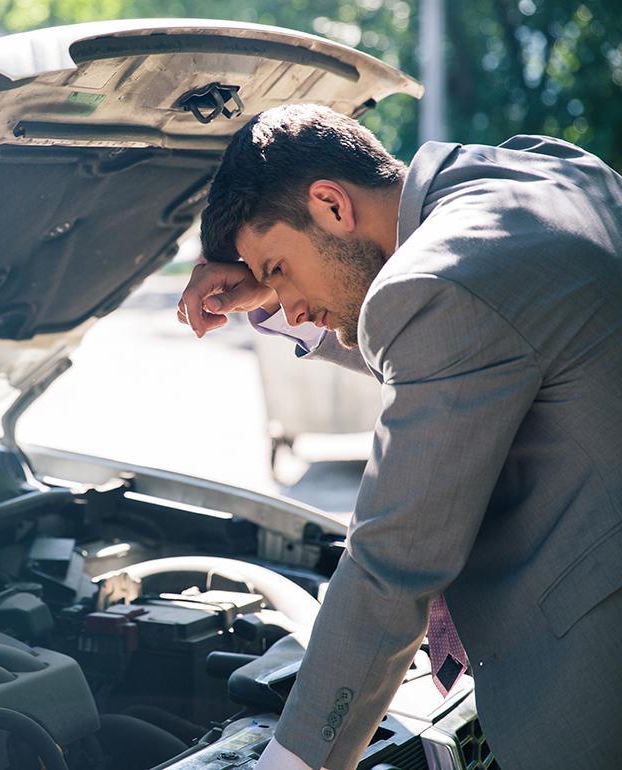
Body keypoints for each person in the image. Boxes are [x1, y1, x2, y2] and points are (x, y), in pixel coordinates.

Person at [177, 104, 622, 770]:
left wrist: (293, 761)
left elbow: (393, 563)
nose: (288, 303)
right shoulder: (544, 170)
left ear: (330, 205)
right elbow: (471, 340)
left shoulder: (442, 284)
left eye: (277, 268)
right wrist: (269, 296)